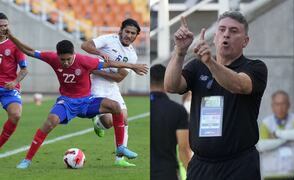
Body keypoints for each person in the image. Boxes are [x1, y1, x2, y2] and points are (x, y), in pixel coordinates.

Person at [6, 30, 148, 169]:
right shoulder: (52, 58)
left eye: (69, 59)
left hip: (87, 102)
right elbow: (29, 51)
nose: (66, 62)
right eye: (63, 60)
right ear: (57, 56)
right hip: (67, 102)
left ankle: (120, 148)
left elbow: (110, 64)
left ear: (74, 54)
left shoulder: (84, 60)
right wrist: (10, 36)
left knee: (116, 107)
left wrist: (133, 66)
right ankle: (27, 160)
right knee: (50, 122)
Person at [164, 11, 268, 180]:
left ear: (245, 41)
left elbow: (239, 85)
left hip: (239, 164)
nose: (226, 34)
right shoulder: (198, 66)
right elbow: (170, 85)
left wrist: (210, 63)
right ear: (215, 37)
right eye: (222, 29)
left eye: (234, 31)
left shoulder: (255, 67)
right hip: (201, 164)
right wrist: (180, 51)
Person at [81, 18, 140, 167]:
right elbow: (85, 45)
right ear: (121, 31)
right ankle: (98, 121)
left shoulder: (132, 55)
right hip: (96, 84)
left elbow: (119, 77)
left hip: (112, 86)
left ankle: (120, 158)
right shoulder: (108, 40)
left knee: (124, 119)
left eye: (133, 33)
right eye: (127, 31)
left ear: (136, 36)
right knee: (108, 122)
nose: (129, 35)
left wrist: (97, 70)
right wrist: (99, 52)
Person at [150, 64, 192, 180]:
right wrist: (191, 173)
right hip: (167, 172)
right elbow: (183, 148)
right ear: (166, 80)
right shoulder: (177, 110)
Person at [0, 13, 28, 149]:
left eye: (5, 25)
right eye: (0, 26)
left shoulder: (14, 45)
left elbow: (24, 70)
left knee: (16, 115)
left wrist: (15, 81)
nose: (3, 28)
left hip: (8, 88)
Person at [258, 90, 294, 179]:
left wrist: (277, 134)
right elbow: (262, 146)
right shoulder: (266, 123)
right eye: (277, 104)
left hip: (291, 174)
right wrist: (286, 138)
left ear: (288, 105)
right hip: (270, 175)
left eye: (283, 104)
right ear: (272, 106)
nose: (280, 107)